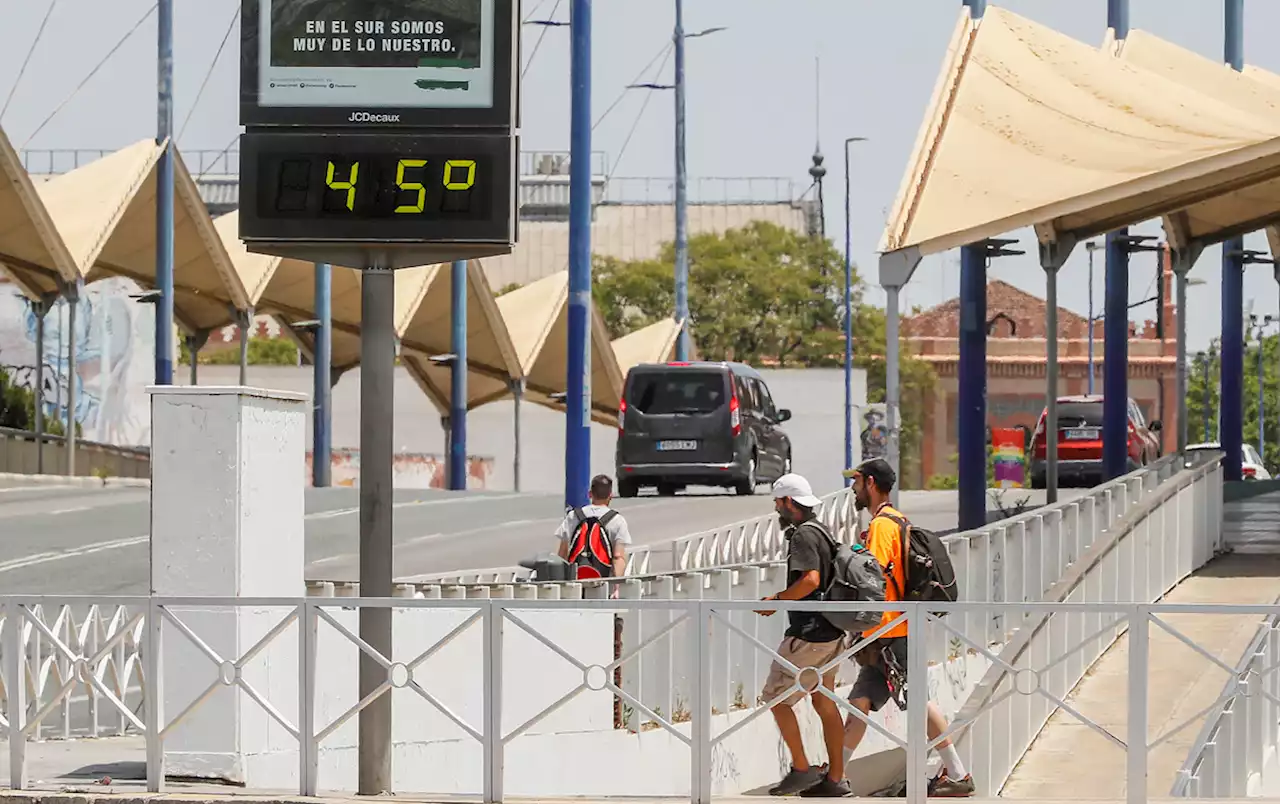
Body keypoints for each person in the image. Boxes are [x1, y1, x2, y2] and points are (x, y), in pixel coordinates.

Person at [842, 458, 976, 797]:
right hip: (890, 629)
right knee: (860, 699)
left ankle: (958, 773)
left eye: (856, 482)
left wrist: (862, 625)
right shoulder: (897, 521)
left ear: (871, 483)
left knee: (919, 700)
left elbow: (872, 580)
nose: (854, 488)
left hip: (889, 631)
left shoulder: (883, 526)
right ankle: (836, 774)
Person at [756, 473, 851, 797]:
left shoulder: (802, 536)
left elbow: (810, 580)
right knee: (824, 701)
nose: (776, 508)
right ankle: (836, 779)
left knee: (776, 697)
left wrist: (777, 600)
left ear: (787, 502)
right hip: (833, 632)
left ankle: (801, 768)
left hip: (809, 635)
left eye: (777, 502)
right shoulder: (824, 531)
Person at [555, 474, 631, 578]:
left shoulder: (573, 516)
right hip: (602, 580)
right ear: (610, 496)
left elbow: (562, 553)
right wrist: (616, 586)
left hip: (575, 578)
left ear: (590, 494)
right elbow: (618, 557)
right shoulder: (617, 520)